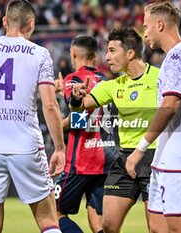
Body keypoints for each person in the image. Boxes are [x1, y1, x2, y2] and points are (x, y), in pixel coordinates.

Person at [0, 1, 65, 233]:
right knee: (49, 222)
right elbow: (50, 106)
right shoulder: (40, 53)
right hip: (26, 146)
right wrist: (59, 147)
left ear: (4, 22)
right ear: (31, 23)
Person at [125, 1, 181, 232]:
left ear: (160, 25)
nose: (145, 34)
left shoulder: (176, 58)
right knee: (157, 227)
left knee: (180, 229)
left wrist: (140, 149)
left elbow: (169, 106)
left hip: (178, 159)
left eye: (146, 27)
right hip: (168, 159)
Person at [70, 27, 159, 233]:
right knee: (108, 226)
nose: (107, 57)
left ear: (130, 53)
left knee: (157, 229)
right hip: (124, 158)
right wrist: (76, 97)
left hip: (154, 158)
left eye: (112, 51)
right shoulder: (112, 85)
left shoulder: (159, 78)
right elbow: (81, 106)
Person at [54, 35, 117, 233]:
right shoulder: (107, 82)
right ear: (95, 56)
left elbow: (79, 118)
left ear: (73, 53)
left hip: (81, 159)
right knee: (96, 219)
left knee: (52, 213)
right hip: (105, 158)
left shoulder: (72, 80)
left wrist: (57, 126)